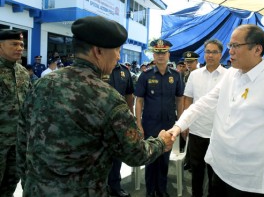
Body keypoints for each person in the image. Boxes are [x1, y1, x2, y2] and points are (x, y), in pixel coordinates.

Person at [16, 16, 174, 197]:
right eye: (116, 49)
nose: (118, 56)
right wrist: (161, 142)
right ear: (98, 51)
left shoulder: (41, 84)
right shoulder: (107, 98)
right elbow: (135, 154)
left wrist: (29, 183)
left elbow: (22, 141)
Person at [168, 24, 264, 197]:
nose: (230, 51)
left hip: (248, 176)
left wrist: (258, 138)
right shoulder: (231, 75)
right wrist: (178, 126)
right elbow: (204, 102)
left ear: (257, 49)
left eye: (236, 46)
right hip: (220, 166)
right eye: (230, 46)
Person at [134, 39, 184, 197]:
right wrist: (139, 124)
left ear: (168, 54)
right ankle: (150, 191)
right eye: (157, 52)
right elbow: (139, 101)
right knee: (150, 158)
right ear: (153, 55)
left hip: (168, 124)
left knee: (164, 158)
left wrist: (181, 122)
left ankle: (161, 190)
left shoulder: (176, 76)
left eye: (163, 53)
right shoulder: (145, 75)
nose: (160, 56)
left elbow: (179, 99)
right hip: (150, 124)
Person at [182, 41, 227, 197]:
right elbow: (188, 99)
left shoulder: (228, 76)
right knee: (196, 169)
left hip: (218, 133)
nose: (210, 55)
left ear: (221, 54)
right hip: (197, 130)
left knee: (215, 172)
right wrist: (185, 123)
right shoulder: (195, 75)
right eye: (207, 51)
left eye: (214, 52)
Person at [0, 29, 31, 196]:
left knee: (10, 184)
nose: (20, 48)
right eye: (14, 44)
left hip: (17, 142)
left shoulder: (22, 72)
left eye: (21, 44)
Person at [105, 62, 135, 197]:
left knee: (117, 155)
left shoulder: (125, 71)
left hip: (120, 122)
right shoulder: (98, 68)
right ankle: (100, 187)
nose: (117, 53)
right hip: (100, 120)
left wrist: (130, 116)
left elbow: (129, 94)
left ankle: (115, 186)